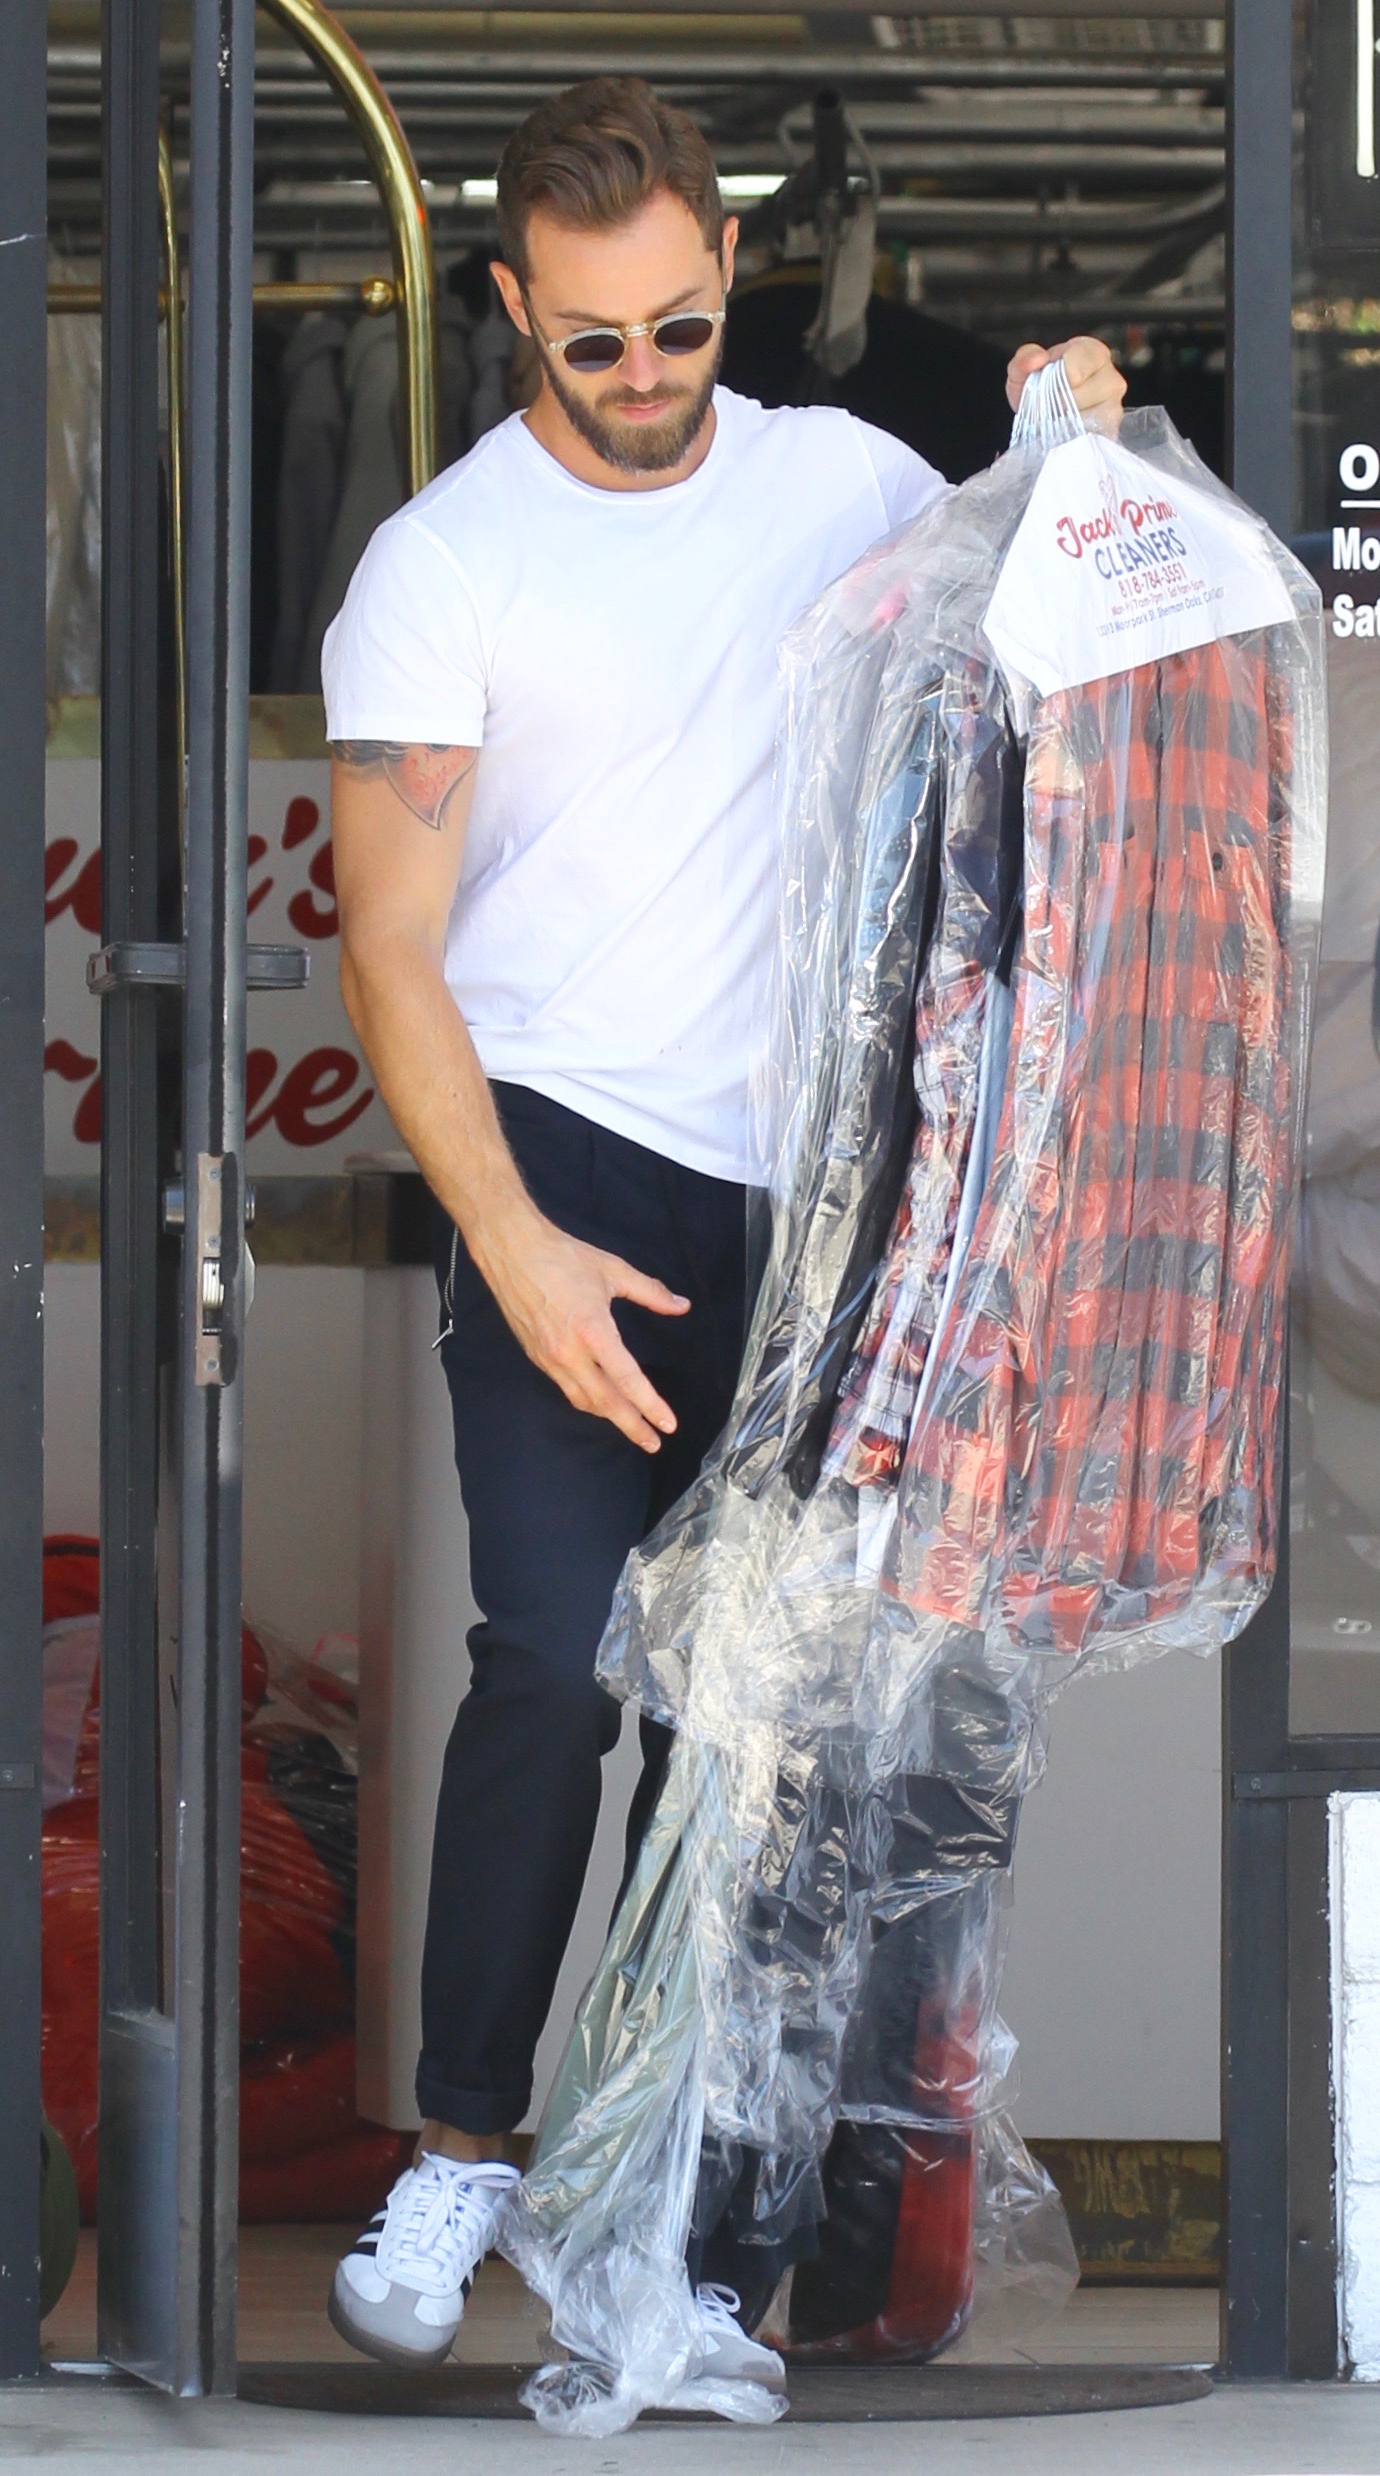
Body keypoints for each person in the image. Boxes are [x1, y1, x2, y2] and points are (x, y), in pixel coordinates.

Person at [320, 73, 1125, 2381]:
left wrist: (1071, 422)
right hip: (555, 1162)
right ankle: (466, 2136)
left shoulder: (842, 484)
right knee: (556, 1664)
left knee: (758, 1734)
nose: (647, 375)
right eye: (594, 342)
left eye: (678, 326)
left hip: (817, 1194)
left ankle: (681, 2243)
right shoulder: (444, 562)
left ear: (718, 286)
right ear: (510, 312)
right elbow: (391, 948)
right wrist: (512, 1243)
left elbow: (1045, 596)